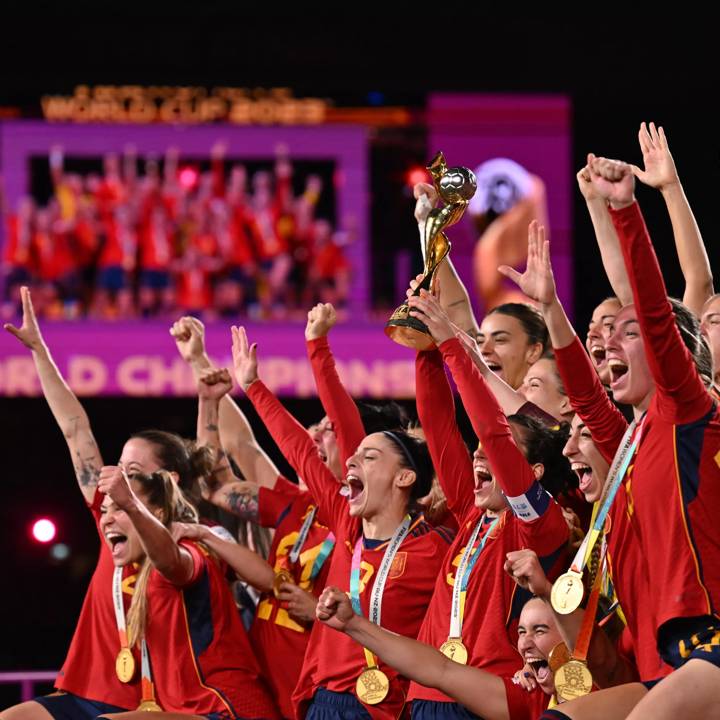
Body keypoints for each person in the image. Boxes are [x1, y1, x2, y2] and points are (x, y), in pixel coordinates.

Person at [231, 325, 452, 720]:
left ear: (405, 478)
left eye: (369, 458)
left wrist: (320, 349)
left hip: (388, 706)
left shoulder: (433, 549)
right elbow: (301, 452)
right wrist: (254, 386)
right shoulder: (347, 528)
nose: (350, 460)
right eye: (355, 456)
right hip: (323, 700)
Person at [404, 287, 571, 720]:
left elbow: (496, 438)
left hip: (488, 697)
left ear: (531, 471)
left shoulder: (541, 523)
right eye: (476, 448)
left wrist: (453, 347)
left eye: (494, 452)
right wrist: (424, 346)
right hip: (426, 695)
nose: (479, 453)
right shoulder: (473, 514)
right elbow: (439, 425)